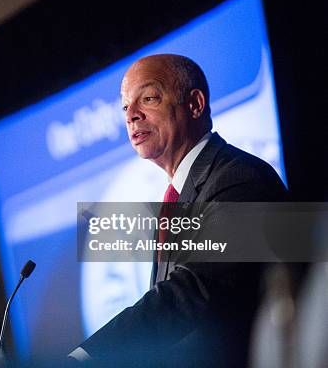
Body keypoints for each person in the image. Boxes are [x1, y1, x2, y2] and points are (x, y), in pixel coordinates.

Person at [67, 54, 287, 367]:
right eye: (126, 107)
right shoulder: (176, 199)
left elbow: (192, 290)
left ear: (195, 104)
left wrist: (85, 357)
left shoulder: (239, 179)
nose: (132, 115)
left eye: (149, 98)